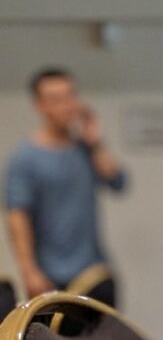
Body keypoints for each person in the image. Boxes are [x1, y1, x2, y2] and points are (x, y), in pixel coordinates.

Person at [5, 67, 126, 304]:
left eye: (70, 96)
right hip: (53, 277)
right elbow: (17, 216)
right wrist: (29, 271)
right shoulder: (25, 158)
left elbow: (118, 182)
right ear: (39, 105)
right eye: (56, 99)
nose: (66, 105)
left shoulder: (85, 150)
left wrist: (96, 141)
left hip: (95, 273)